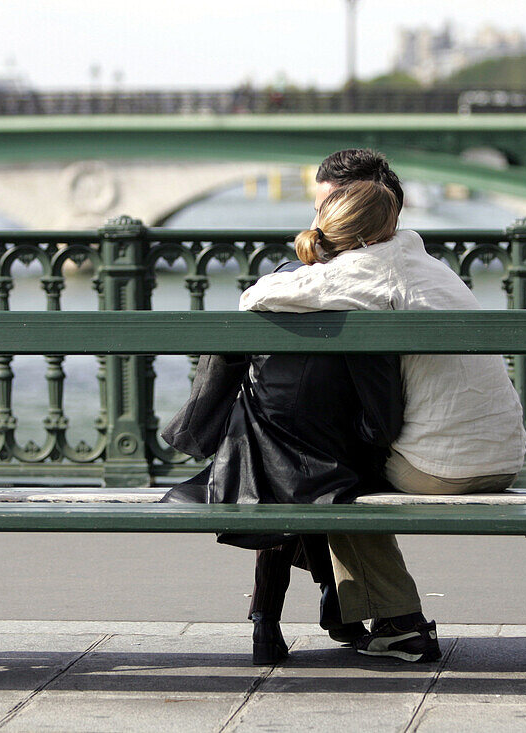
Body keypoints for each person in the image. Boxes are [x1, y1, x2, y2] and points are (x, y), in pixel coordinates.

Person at [239, 149, 526, 663]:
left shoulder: (368, 270)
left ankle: (398, 622)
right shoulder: (424, 262)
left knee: (335, 477)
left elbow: (256, 297)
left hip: (444, 468)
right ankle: (348, 607)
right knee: (344, 459)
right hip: (503, 458)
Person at [161, 181, 406, 665]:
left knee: (280, 469)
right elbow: (381, 420)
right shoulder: (371, 294)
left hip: (252, 456)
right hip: (329, 465)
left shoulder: (276, 283)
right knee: (313, 474)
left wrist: (196, 432)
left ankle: (267, 622)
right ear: (380, 235)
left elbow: (222, 368)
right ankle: (335, 602)